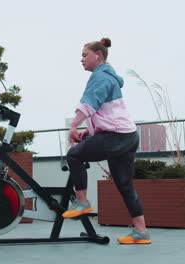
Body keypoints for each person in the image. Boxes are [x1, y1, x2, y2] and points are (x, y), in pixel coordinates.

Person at [62, 37, 151, 244]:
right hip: (127, 136)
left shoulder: (100, 76)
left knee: (74, 155)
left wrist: (74, 125)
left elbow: (89, 103)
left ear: (97, 55)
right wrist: (90, 132)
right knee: (124, 185)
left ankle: (82, 202)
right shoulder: (109, 77)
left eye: (85, 55)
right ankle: (141, 232)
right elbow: (105, 113)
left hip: (115, 136)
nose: (81, 60)